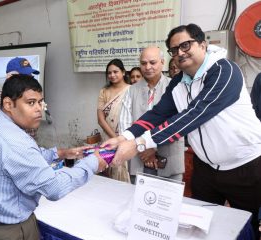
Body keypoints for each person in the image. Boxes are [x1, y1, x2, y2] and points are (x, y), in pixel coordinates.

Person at [103, 23, 261, 238]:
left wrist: (140, 144)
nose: (180, 52)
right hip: (205, 169)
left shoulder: (225, 70)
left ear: (203, 44)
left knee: (247, 226)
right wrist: (124, 137)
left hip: (245, 166)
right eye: (174, 49)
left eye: (186, 45)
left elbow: (195, 114)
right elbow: (158, 114)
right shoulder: (178, 82)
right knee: (201, 228)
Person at [0, 74, 108, 240]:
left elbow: (20, 158)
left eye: (40, 102)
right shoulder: (15, 141)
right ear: (8, 104)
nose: (39, 109)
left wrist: (61, 153)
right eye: (30, 103)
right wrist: (93, 162)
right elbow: (54, 188)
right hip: (6, 231)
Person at [119, 46, 184, 184]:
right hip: (138, 158)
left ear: (162, 62)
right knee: (140, 202)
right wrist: (142, 148)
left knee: (168, 202)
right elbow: (124, 127)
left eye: (152, 62)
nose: (147, 67)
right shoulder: (131, 91)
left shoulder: (177, 87)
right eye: (143, 63)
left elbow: (179, 123)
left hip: (169, 159)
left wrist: (152, 148)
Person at [0, 57, 40, 137]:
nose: (30, 81)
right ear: (10, 77)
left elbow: (32, 132)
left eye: (30, 77)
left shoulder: (29, 98)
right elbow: (6, 137)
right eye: (25, 77)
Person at [97, 58, 130, 182]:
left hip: (127, 138)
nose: (112, 75)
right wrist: (115, 138)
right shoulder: (104, 92)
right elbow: (100, 119)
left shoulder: (132, 90)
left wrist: (122, 139)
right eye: (109, 73)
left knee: (126, 170)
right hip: (109, 138)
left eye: (115, 72)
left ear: (123, 72)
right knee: (112, 171)